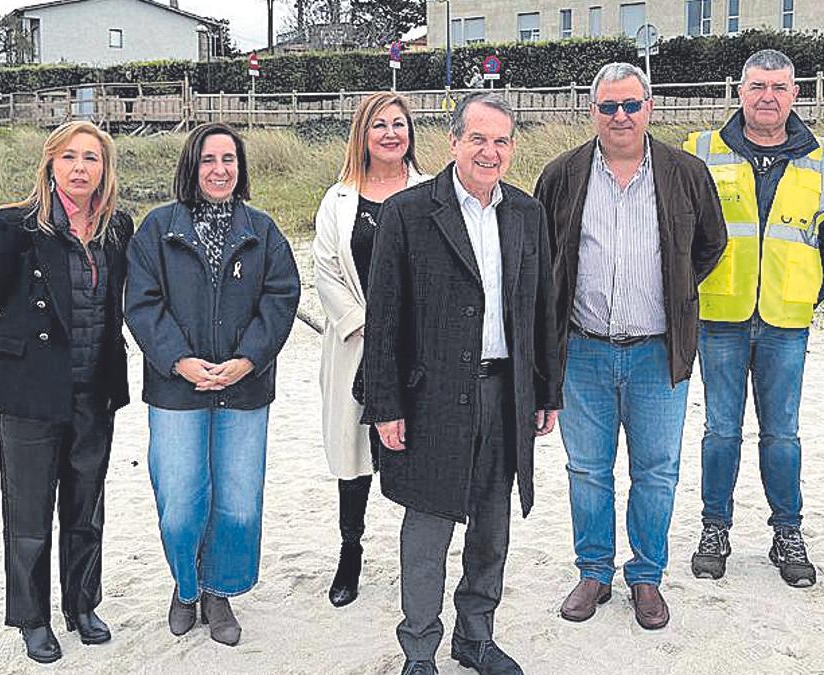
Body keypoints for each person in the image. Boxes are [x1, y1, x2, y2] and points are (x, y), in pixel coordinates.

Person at [361, 92, 561, 675]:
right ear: (453, 142)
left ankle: (475, 637)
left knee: (491, 525)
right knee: (427, 528)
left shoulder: (527, 213)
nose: (489, 151)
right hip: (429, 398)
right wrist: (386, 405)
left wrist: (545, 391)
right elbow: (384, 319)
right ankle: (419, 649)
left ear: (512, 148)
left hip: (505, 394)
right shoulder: (407, 212)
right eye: (478, 138)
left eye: (500, 141)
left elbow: (539, 308)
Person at [535, 62, 726, 630]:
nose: (620, 116)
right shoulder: (562, 174)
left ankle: (646, 576)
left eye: (631, 105)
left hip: (657, 353)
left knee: (657, 472)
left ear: (650, 107)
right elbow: (544, 255)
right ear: (591, 111)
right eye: (608, 107)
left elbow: (710, 245)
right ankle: (594, 571)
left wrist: (672, 290)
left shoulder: (686, 172)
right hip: (583, 350)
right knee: (587, 469)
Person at [682, 49, 824, 588]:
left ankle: (788, 532)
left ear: (795, 94)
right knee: (720, 432)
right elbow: (680, 232)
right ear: (739, 91)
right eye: (757, 86)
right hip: (720, 318)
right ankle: (715, 528)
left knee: (782, 434)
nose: (767, 97)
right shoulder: (701, 151)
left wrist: (808, 291)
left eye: (779, 87)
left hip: (786, 322)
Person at [124, 122, 301, 645]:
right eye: (208, 160)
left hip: (243, 387)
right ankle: (185, 587)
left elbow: (280, 297)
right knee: (180, 501)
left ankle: (218, 591)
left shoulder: (262, 230)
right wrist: (179, 360)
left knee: (239, 501)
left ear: (240, 168)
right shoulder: (158, 228)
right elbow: (142, 302)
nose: (219, 169)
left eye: (229, 159)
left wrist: (249, 358)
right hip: (177, 389)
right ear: (191, 166)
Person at [0, 120, 133, 664]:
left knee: (86, 508)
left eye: (92, 158)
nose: (81, 167)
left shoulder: (117, 227)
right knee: (30, 514)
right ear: (50, 165)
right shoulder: (14, 226)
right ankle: (32, 618)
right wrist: (13, 362)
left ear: (104, 169)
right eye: (70, 157)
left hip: (94, 388)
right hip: (30, 394)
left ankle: (82, 606)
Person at [313, 92, 430, 608]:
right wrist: (372, 328)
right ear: (363, 134)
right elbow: (326, 273)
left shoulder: (431, 192)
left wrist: (408, 332)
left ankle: (419, 561)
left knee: (418, 453)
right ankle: (350, 550)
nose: (390, 133)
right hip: (356, 344)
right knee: (354, 456)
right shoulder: (338, 199)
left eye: (398, 124)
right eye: (378, 125)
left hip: (419, 349)